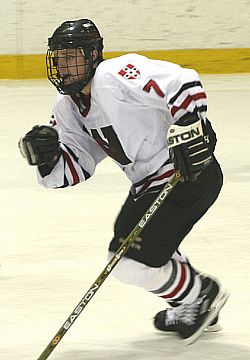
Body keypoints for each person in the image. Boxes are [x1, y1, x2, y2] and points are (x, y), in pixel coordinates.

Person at [19, 19, 229, 345]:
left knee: (128, 265)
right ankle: (193, 297)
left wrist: (190, 123)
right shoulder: (68, 108)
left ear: (92, 55)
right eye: (59, 58)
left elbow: (182, 82)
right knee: (133, 255)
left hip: (184, 175)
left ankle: (198, 295)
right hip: (148, 187)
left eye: (72, 56)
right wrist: (47, 158)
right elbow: (74, 169)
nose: (64, 65)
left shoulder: (116, 73)